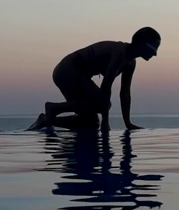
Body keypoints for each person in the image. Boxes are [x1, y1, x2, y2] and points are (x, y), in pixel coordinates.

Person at [29, 27, 160, 132]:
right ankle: (54, 108)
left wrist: (128, 123)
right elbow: (105, 88)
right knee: (103, 104)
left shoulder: (130, 62)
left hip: (79, 74)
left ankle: (46, 120)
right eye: (154, 48)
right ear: (143, 45)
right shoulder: (119, 53)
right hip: (68, 69)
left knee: (90, 123)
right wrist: (106, 124)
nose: (155, 54)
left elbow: (125, 93)